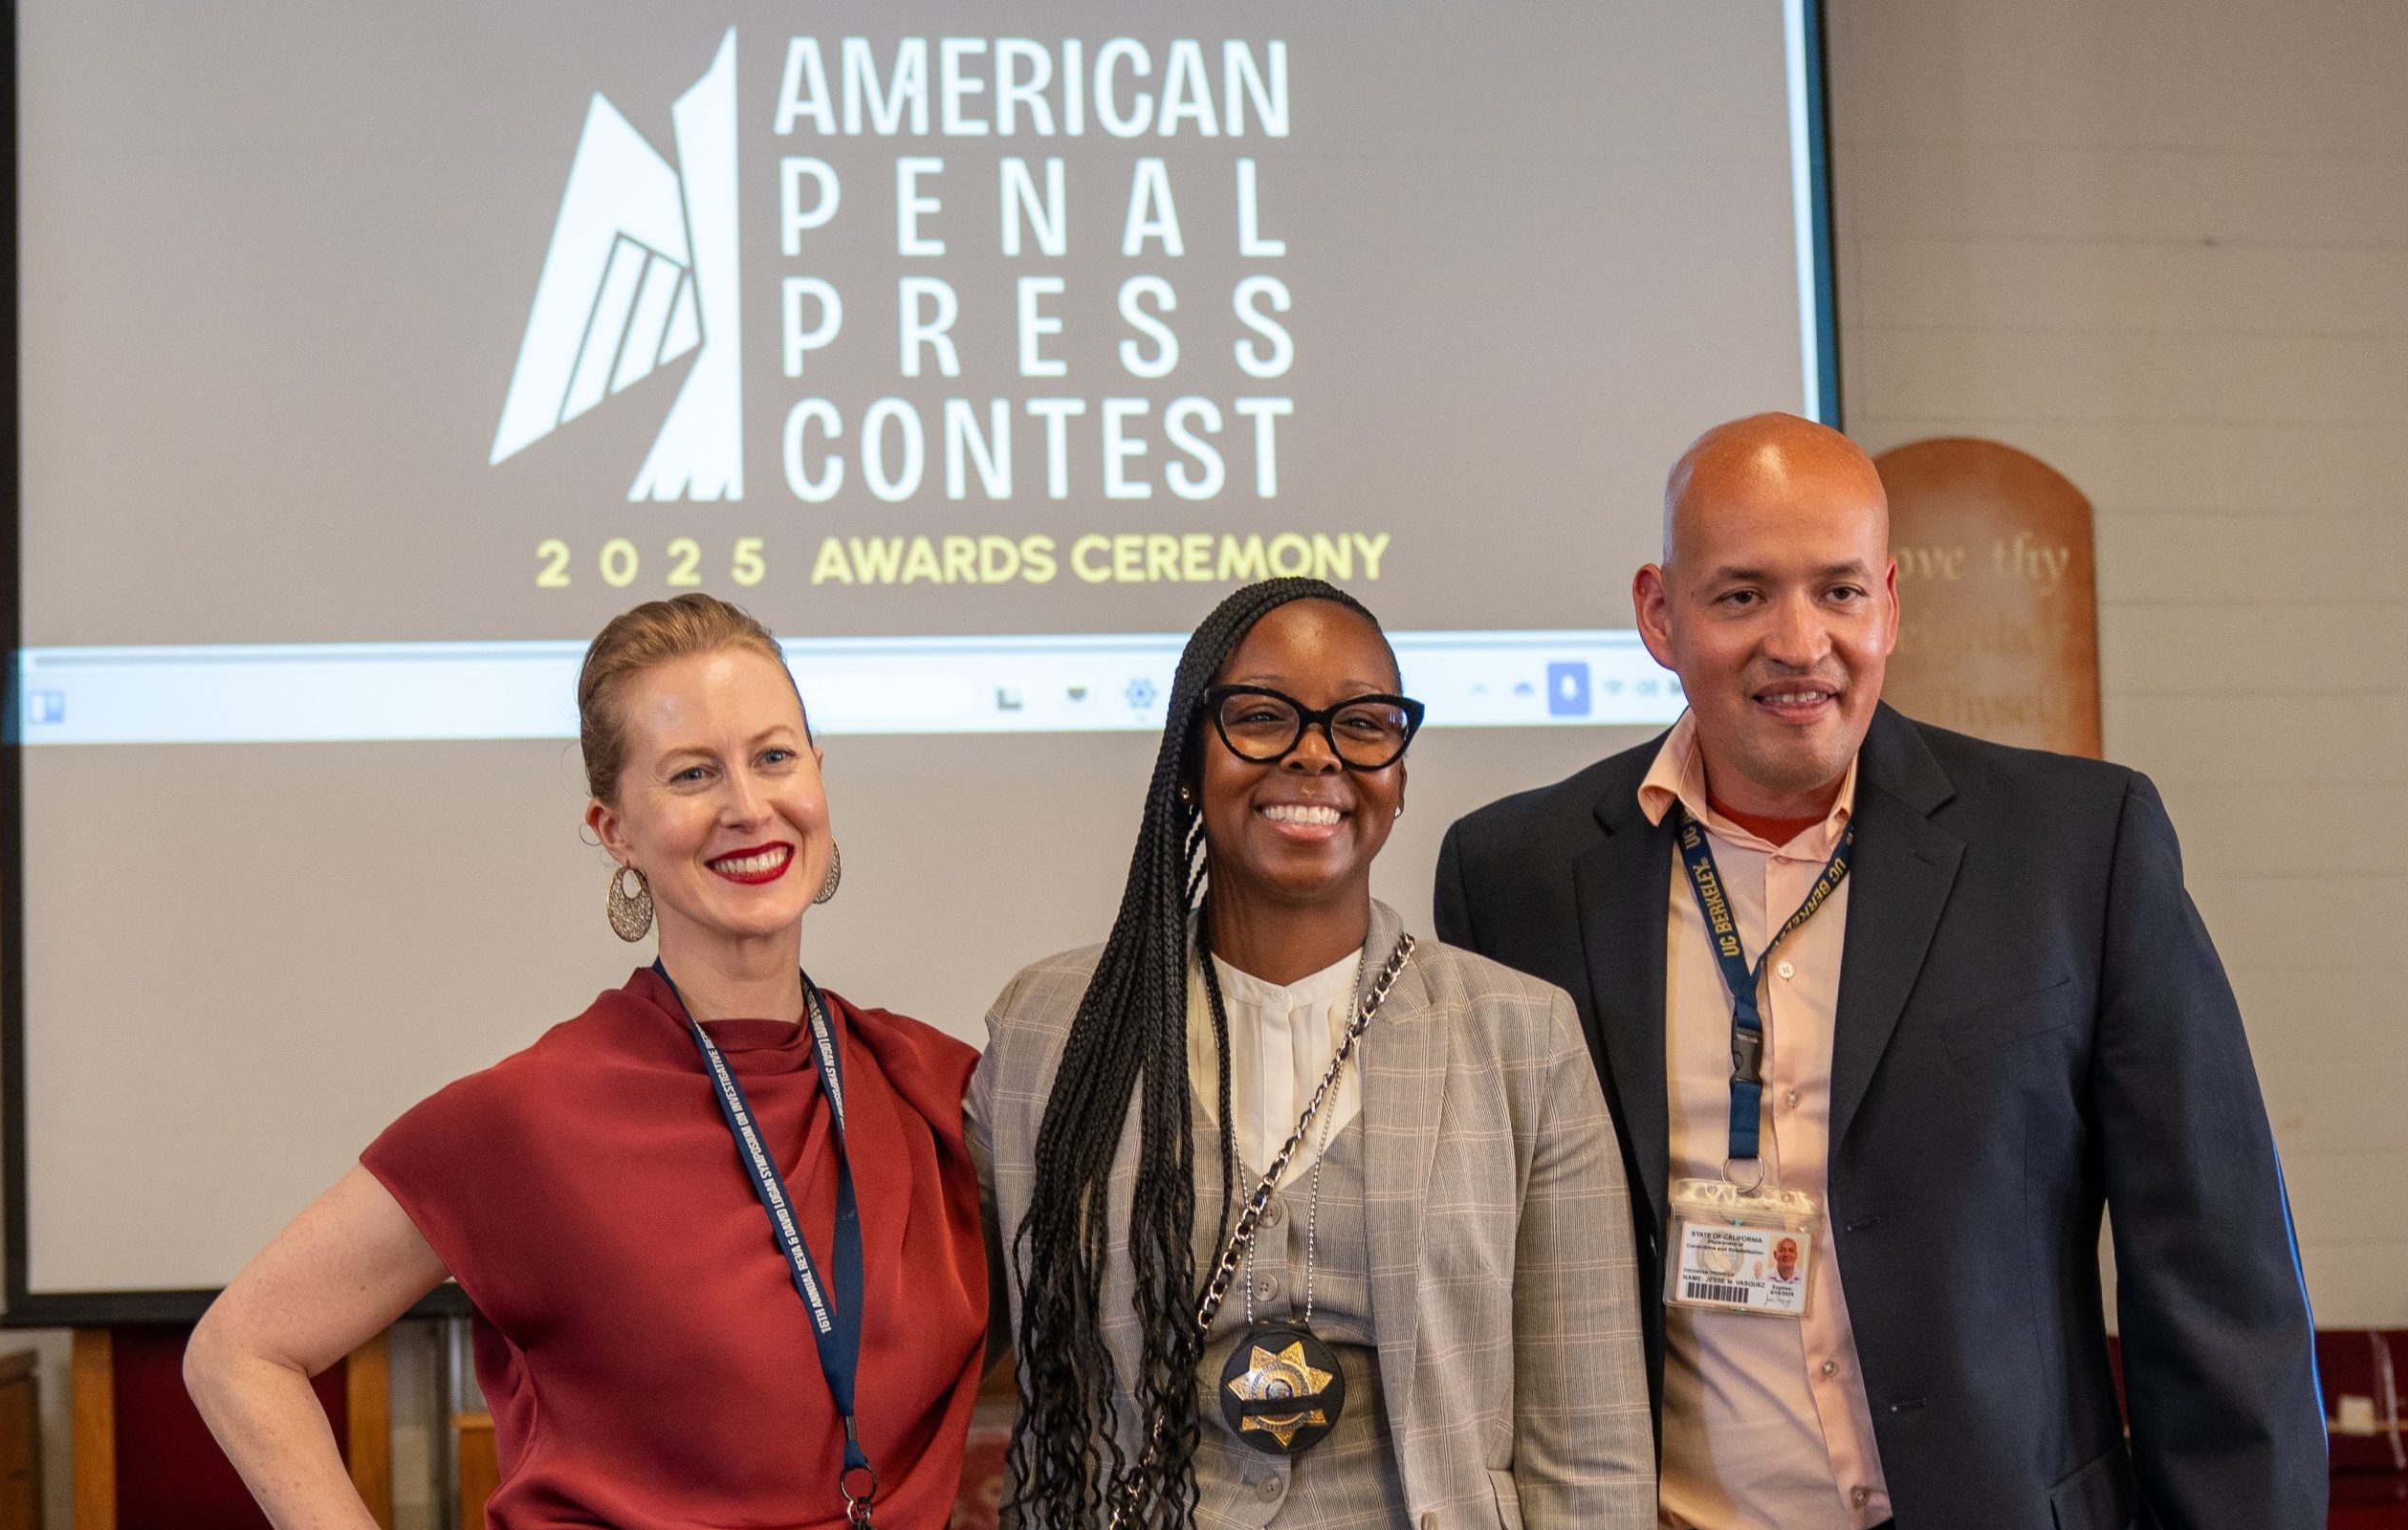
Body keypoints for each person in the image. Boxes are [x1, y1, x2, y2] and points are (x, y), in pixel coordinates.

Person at [1435, 413, 2325, 1530]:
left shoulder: (2075, 847)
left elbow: (2216, 1274)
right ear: (1661, 614)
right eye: (1742, 594)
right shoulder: (1513, 876)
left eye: (1839, 592)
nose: (1799, 643)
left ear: (1890, 604)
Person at [186, 594, 989, 1528]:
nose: (746, 805)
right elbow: (240, 1352)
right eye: (692, 774)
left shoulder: (930, 1085)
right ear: (616, 831)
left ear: (818, 776)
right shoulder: (533, 1116)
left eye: (774, 757)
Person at [969, 578, 1654, 1530]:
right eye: (1260, 716)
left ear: (1400, 775)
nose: (1314, 752)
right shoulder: (1048, 1030)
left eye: (1363, 723)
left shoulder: (1519, 1036)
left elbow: (1589, 1440)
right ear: (1185, 760)